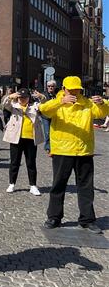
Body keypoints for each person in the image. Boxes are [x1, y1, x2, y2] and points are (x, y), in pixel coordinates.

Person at [40, 76, 109, 233]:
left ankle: (87, 220)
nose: (74, 92)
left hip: (83, 150)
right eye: (71, 89)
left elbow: (103, 112)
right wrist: (60, 101)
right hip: (62, 150)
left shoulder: (87, 103)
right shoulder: (57, 103)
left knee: (86, 186)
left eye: (77, 89)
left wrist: (102, 102)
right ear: (64, 89)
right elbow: (44, 110)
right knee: (58, 184)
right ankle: (54, 217)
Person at [2, 88, 46, 195]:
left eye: (25, 97)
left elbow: (45, 105)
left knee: (31, 162)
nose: (22, 99)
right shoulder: (13, 105)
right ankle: (12, 183)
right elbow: (4, 104)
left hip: (31, 138)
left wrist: (41, 97)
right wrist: (9, 97)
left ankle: (33, 185)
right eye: (20, 97)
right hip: (16, 138)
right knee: (14, 162)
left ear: (28, 98)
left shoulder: (34, 106)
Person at [41, 80, 58, 156]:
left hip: (55, 117)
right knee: (47, 132)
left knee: (54, 132)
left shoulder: (57, 95)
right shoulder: (44, 95)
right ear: (47, 87)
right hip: (46, 117)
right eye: (49, 86)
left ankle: (53, 147)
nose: (50, 87)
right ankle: (48, 148)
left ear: (55, 87)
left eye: (52, 86)